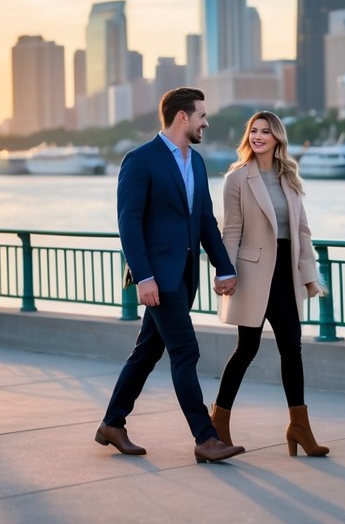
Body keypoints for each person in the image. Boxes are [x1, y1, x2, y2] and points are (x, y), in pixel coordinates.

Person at [96, 87, 246, 464]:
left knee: (147, 352)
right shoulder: (140, 160)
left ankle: (112, 423)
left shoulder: (195, 162)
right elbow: (128, 223)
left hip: (184, 276)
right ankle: (205, 437)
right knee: (185, 351)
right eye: (201, 116)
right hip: (158, 278)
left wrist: (224, 266)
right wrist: (143, 276)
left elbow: (204, 221)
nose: (206, 122)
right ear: (183, 117)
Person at [211, 111, 331, 457]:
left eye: (265, 131)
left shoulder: (289, 177)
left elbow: (303, 231)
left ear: (277, 138)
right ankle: (218, 423)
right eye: (253, 130)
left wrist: (309, 275)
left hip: (286, 271)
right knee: (246, 349)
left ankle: (299, 427)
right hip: (252, 273)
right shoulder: (237, 178)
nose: (258, 136)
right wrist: (224, 271)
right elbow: (230, 229)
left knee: (292, 349)